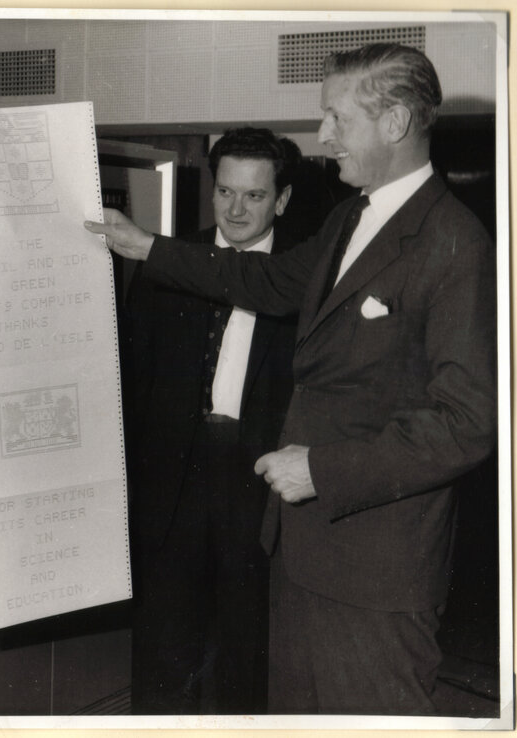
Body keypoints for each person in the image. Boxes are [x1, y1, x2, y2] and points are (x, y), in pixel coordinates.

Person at [86, 43, 496, 715]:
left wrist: (323, 471)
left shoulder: (454, 241)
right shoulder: (353, 215)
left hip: (375, 570)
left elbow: (468, 423)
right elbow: (269, 279)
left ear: (393, 123)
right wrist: (144, 247)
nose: (322, 137)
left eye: (336, 118)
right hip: (302, 553)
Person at [126, 128, 301, 715]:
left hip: (257, 486)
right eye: (225, 192)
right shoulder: (164, 264)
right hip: (172, 484)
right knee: (162, 650)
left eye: (254, 196)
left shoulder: (304, 278)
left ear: (281, 201)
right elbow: (135, 383)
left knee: (247, 652)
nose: (235, 209)